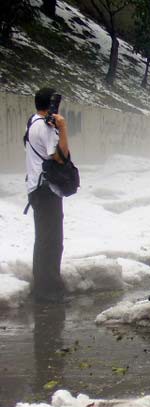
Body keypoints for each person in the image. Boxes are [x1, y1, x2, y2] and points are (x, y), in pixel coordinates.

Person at [24, 87, 70, 302]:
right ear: (52, 104)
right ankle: (49, 291)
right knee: (52, 242)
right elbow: (61, 157)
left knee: (43, 239)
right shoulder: (45, 127)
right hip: (47, 190)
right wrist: (63, 128)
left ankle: (43, 287)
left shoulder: (32, 122)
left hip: (36, 188)